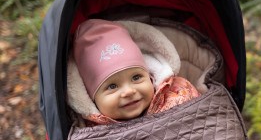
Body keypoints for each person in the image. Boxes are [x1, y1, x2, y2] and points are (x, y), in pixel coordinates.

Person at [71, 18, 200, 125]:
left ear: (150, 76)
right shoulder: (90, 131)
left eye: (136, 77)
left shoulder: (177, 92)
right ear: (91, 98)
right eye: (112, 86)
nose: (129, 91)